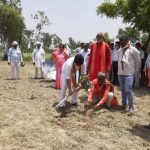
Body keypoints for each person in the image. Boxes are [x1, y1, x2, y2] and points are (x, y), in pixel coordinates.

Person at [118, 36, 141, 115]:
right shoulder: (119, 50)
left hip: (129, 73)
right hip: (120, 73)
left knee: (128, 90)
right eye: (120, 42)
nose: (121, 44)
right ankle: (124, 104)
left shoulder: (133, 50)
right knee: (123, 90)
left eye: (123, 42)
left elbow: (138, 61)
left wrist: (136, 70)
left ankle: (131, 108)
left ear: (127, 41)